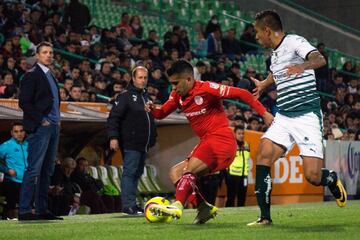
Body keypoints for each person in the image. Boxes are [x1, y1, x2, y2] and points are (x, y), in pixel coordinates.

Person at [247, 10, 347, 226]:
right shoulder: (274, 54)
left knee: (312, 176)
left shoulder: (294, 42)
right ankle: (265, 218)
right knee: (263, 156)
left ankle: (330, 178)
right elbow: (278, 72)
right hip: (283, 116)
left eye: (257, 32)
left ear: (267, 30)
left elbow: (319, 58)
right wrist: (265, 84)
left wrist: (302, 66)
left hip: (306, 116)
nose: (256, 37)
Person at [145, 60, 273, 224]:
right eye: (171, 84)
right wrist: (152, 109)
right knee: (175, 173)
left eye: (176, 83)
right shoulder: (177, 95)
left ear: (189, 80)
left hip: (221, 140)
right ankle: (203, 208)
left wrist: (264, 113)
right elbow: (161, 113)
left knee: (188, 171)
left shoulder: (207, 88)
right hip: (208, 144)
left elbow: (242, 93)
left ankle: (177, 205)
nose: (174, 88)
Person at [18, 41, 63, 221]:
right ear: (37, 56)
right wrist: (42, 120)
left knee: (47, 171)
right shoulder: (32, 75)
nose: (49, 55)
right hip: (41, 127)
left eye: (51, 52)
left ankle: (42, 209)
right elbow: (24, 103)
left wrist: (56, 122)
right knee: (34, 170)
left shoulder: (51, 75)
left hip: (54, 126)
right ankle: (24, 210)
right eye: (45, 52)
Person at [107, 66, 157, 215]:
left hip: (143, 144)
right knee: (130, 173)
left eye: (145, 78)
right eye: (140, 77)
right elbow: (114, 117)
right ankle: (128, 205)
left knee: (136, 173)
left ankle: (132, 205)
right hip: (131, 142)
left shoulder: (146, 97)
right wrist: (113, 137)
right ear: (133, 79)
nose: (143, 81)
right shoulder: (125, 96)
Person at [0, 122, 28, 219]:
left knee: (25, 208)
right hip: (11, 182)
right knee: (10, 209)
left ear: (24, 132)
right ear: (11, 133)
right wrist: (7, 170)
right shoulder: (6, 145)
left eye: (21, 131)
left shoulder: (27, 145)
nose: (19, 134)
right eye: (16, 131)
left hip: (26, 182)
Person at [225, 125, 250, 207]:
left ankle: (241, 214)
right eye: (239, 133)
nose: (241, 135)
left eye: (243, 133)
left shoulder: (246, 145)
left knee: (242, 198)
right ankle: (228, 214)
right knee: (231, 198)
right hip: (233, 175)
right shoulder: (231, 145)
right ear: (234, 134)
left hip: (244, 176)